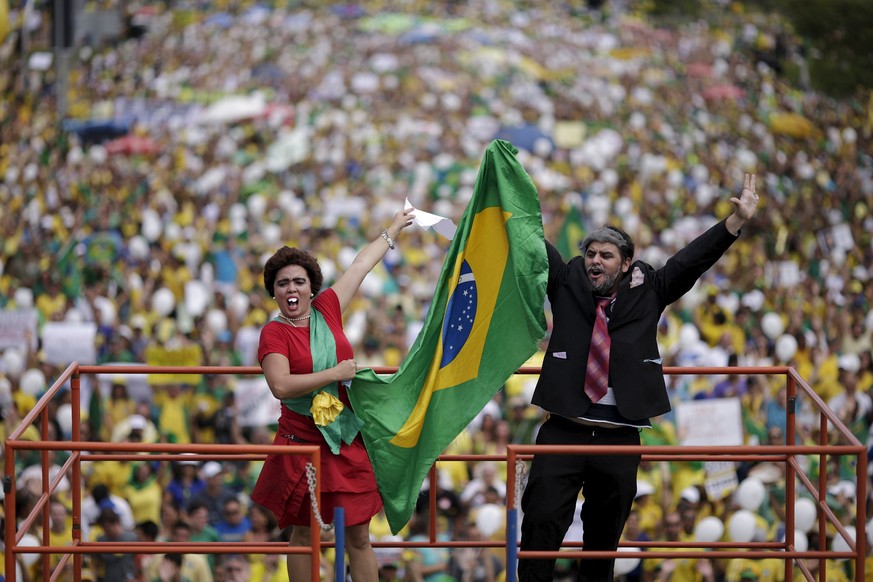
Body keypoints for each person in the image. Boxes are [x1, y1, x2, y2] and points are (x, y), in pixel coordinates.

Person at [518, 174, 759, 581]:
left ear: (626, 263)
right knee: (539, 528)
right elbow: (534, 243)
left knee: (602, 540)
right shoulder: (565, 282)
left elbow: (691, 260)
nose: (595, 260)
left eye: (606, 255)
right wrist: (507, 200)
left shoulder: (651, 289)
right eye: (591, 253)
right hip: (563, 431)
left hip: (620, 436)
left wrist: (734, 223)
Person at [251, 208, 414, 582]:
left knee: (358, 534)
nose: (291, 288)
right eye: (282, 283)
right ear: (273, 291)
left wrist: (391, 230)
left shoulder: (328, 309)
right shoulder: (273, 333)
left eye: (298, 281)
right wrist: (335, 373)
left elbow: (359, 265)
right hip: (301, 440)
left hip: (342, 433)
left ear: (312, 287)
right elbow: (281, 385)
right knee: (304, 533)